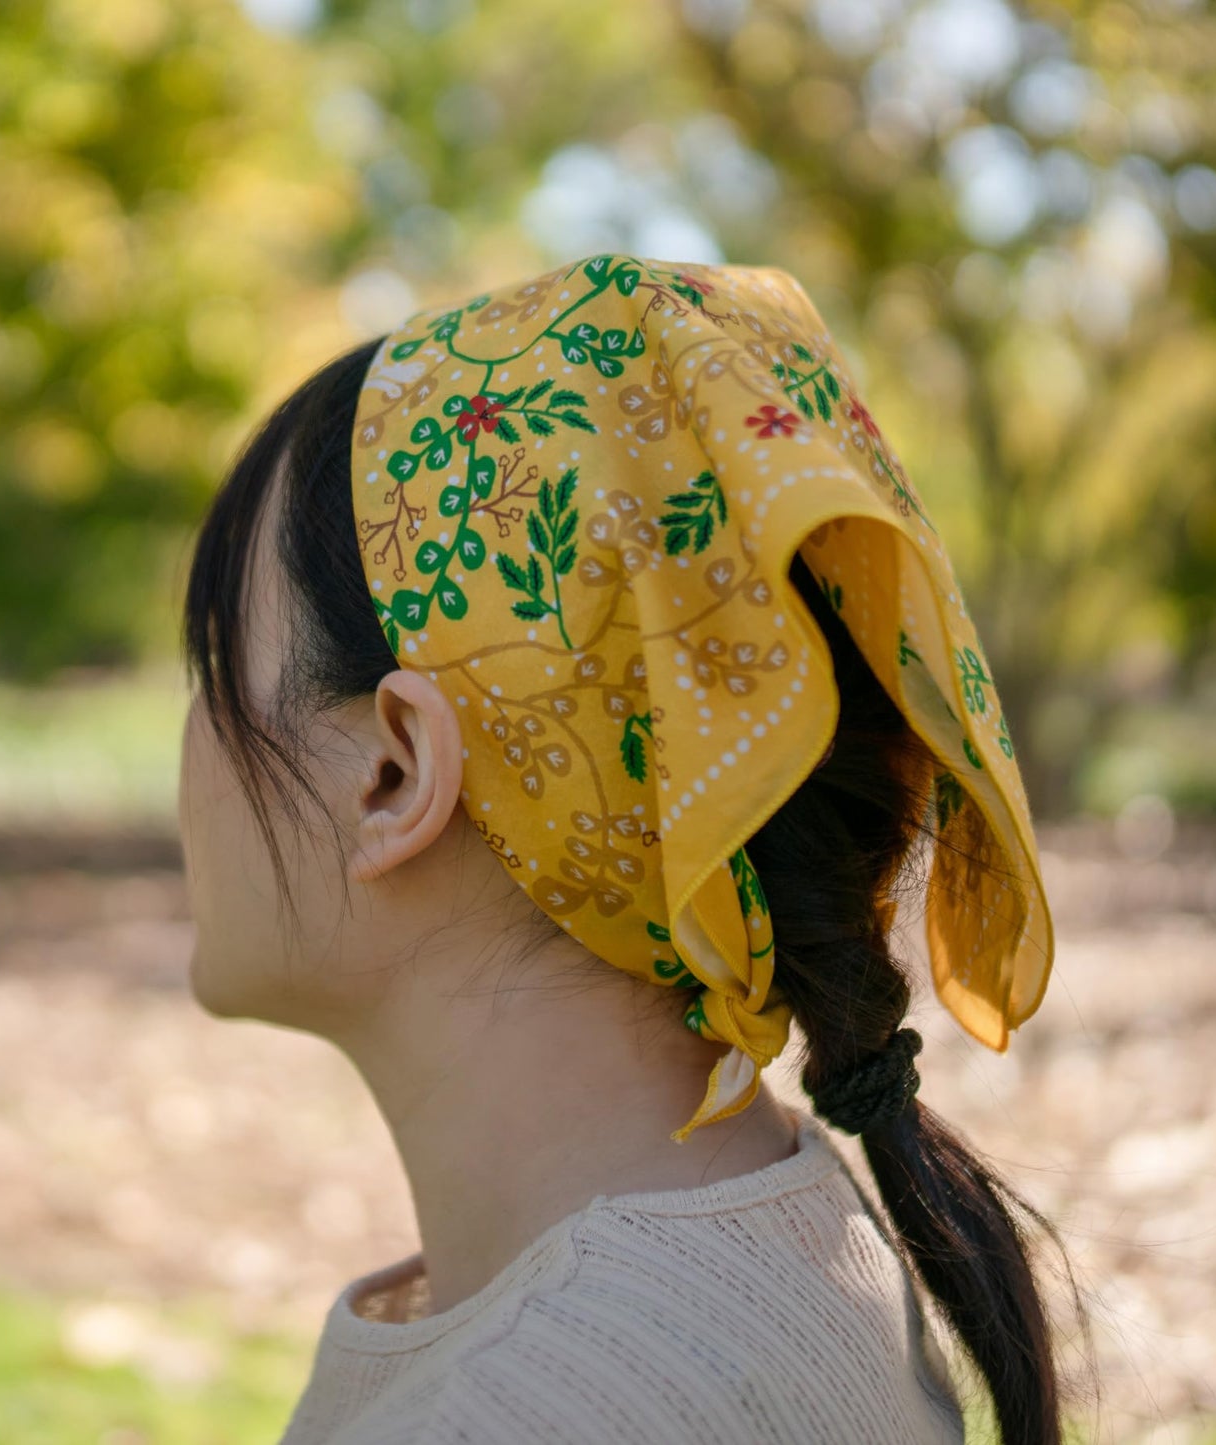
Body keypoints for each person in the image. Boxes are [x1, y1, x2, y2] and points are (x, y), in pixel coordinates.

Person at [178, 252, 1071, 1444]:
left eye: (210, 666)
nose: (187, 741)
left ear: (393, 772)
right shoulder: (769, 1235)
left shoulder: (528, 1411)